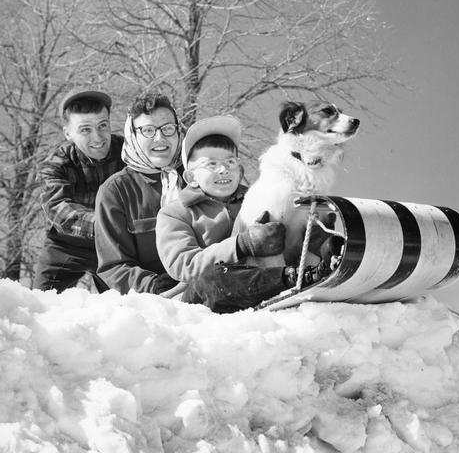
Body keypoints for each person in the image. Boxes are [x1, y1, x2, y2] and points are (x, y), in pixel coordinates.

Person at [156, 115, 336, 313]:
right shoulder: (175, 213)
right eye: (211, 164)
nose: (224, 169)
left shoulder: (260, 200)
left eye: (231, 162)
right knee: (214, 278)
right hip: (206, 294)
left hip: (267, 278)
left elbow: (280, 247)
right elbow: (184, 266)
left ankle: (328, 267)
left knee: (318, 243)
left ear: (240, 171)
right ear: (191, 177)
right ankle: (286, 279)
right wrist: (242, 245)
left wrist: (311, 240)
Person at [34, 88, 124, 292]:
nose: (98, 137)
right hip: (66, 245)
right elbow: (59, 210)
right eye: (85, 130)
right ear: (68, 134)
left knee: (131, 306)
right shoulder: (55, 165)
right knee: (40, 305)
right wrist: (108, 224)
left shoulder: (128, 153)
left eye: (103, 125)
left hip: (116, 244)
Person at [94, 91, 183, 295]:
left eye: (168, 129)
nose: (160, 138)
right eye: (148, 131)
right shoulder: (115, 191)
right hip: (152, 304)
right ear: (132, 136)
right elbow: (113, 266)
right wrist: (152, 285)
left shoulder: (197, 177)